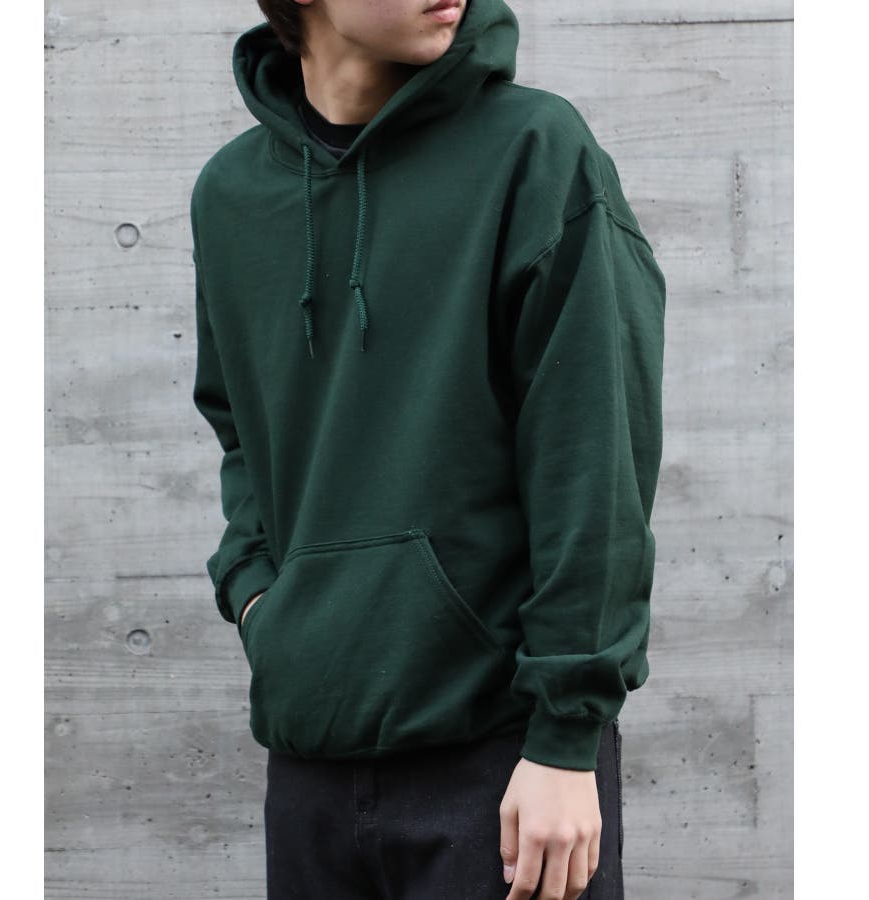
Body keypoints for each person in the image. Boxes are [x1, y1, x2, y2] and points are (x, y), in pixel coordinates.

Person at [189, 0, 666, 897]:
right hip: (310, 765)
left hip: (504, 764)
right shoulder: (231, 196)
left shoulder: (533, 151)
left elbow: (595, 454)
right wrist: (257, 597)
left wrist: (566, 737)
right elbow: (239, 429)